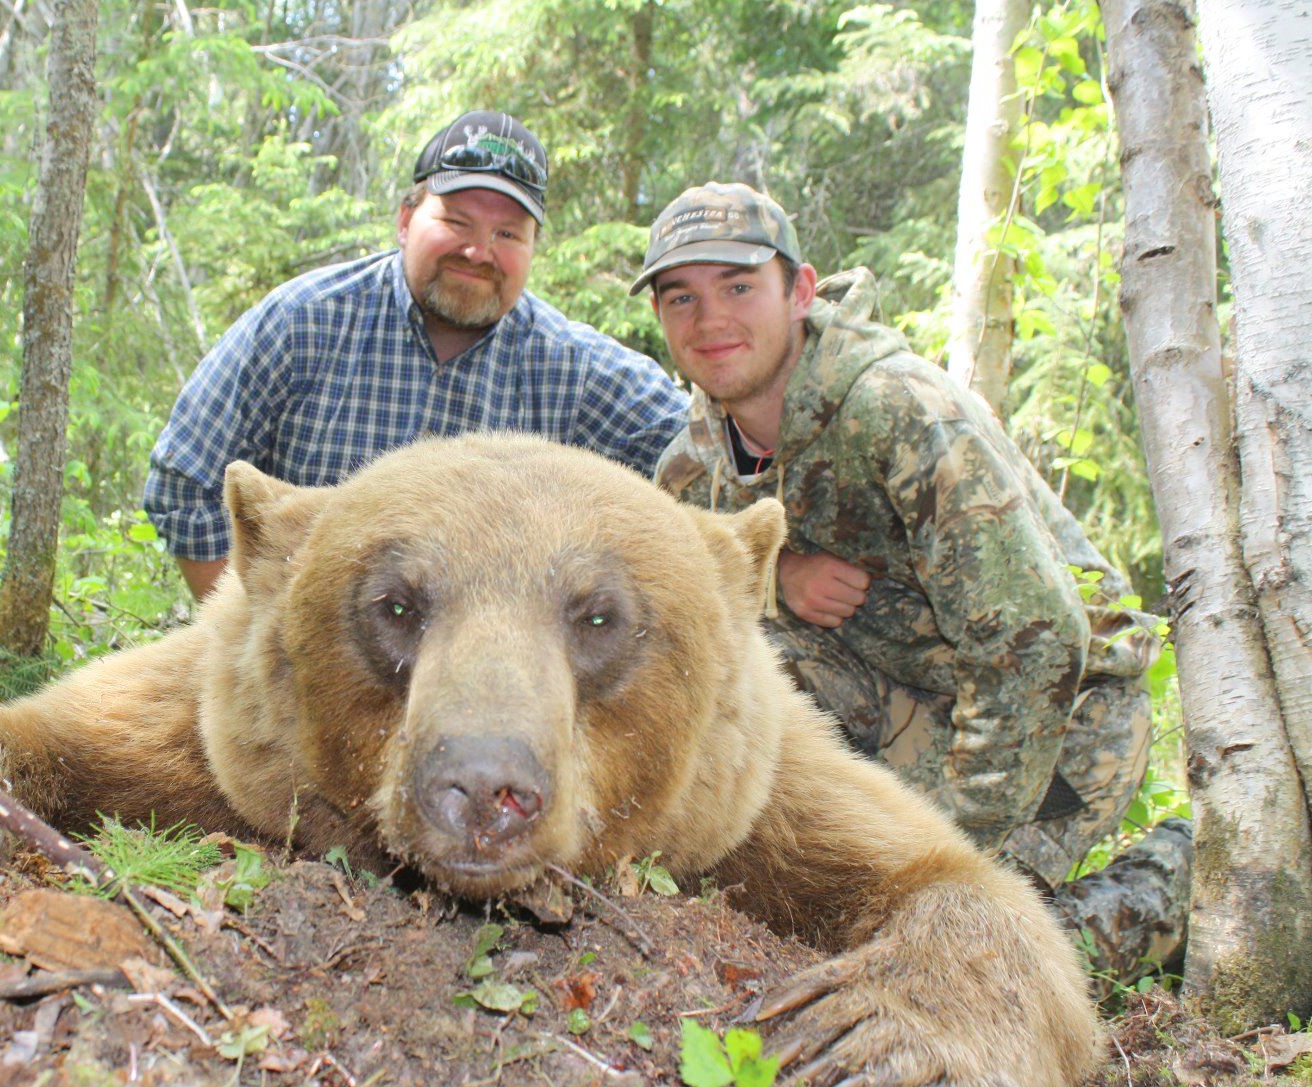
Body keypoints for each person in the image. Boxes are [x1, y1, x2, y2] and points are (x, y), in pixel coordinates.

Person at [635, 181, 1189, 985]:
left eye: (739, 287)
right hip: (899, 693)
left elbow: (1034, 646)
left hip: (1059, 717)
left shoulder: (900, 409)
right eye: (681, 296)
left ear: (801, 291)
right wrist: (776, 576)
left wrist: (937, 858)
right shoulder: (692, 467)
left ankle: (1179, 874)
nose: (710, 319)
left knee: (969, 955)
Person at [143, 111, 688, 600]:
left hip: (497, 664)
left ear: (532, 249)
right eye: (456, 222)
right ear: (406, 220)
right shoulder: (303, 322)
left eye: (507, 233)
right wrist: (258, 631)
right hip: (315, 651)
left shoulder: (574, 370)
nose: (478, 251)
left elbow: (699, 447)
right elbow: (185, 478)